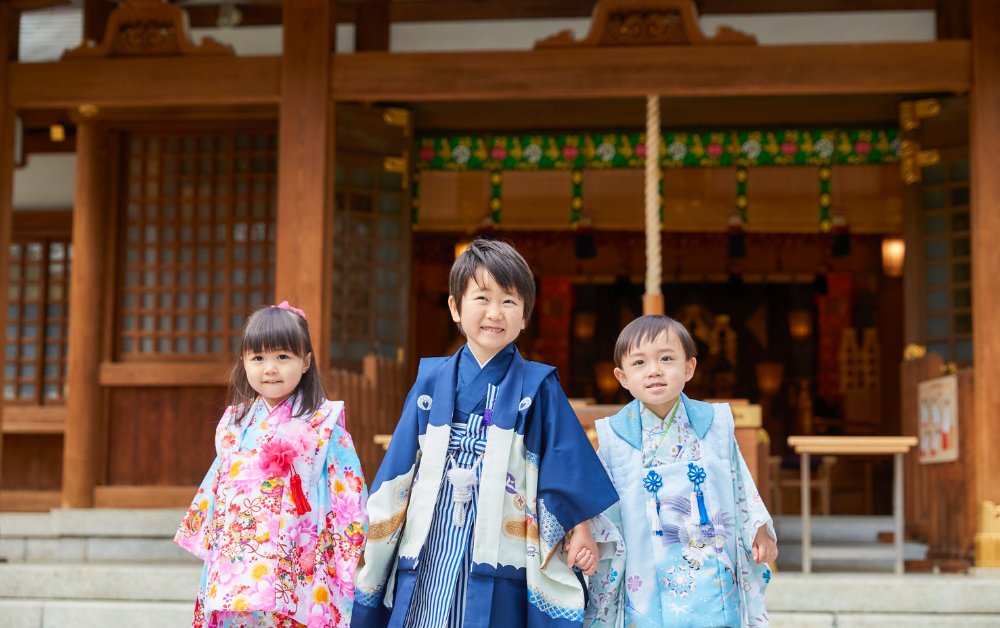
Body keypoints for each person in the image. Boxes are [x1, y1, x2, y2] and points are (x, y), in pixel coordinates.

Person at [352, 238, 619, 627]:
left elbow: (567, 463)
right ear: (455, 308)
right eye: (482, 298)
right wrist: (375, 527)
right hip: (434, 527)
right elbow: (400, 464)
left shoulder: (537, 385)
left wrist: (580, 529)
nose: (495, 312)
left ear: (525, 315)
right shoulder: (431, 379)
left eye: (509, 301)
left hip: (499, 537)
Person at [175, 302, 368, 628]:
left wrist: (352, 552)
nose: (270, 369)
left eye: (283, 357)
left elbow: (349, 494)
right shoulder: (235, 423)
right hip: (236, 564)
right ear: (244, 362)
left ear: (306, 361)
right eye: (258, 358)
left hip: (297, 559)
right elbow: (217, 489)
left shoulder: (323, 423)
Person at [585, 315, 777, 628]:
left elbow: (740, 484)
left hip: (711, 563)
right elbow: (601, 507)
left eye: (666, 358)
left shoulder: (714, 424)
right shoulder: (614, 437)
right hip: (643, 563)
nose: (654, 370)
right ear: (622, 377)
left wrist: (757, 528)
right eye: (639, 363)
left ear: (688, 368)